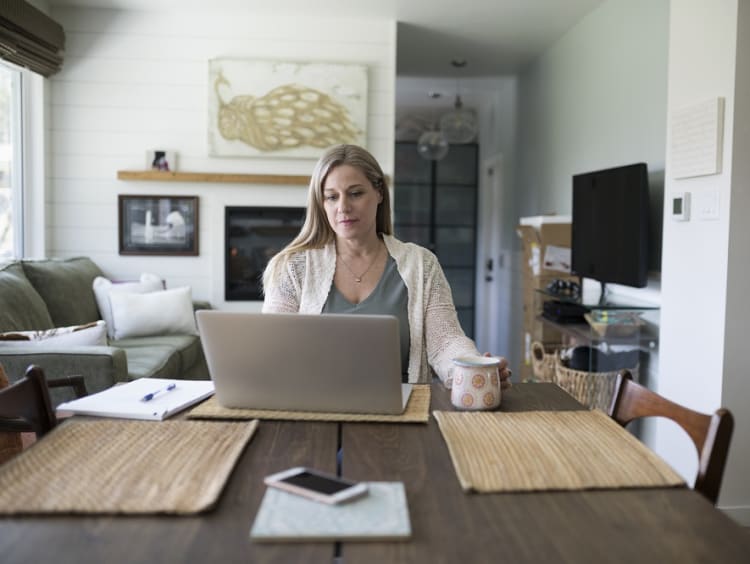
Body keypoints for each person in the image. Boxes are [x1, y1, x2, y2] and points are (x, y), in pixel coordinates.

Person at [262, 144, 511, 387]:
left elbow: (445, 341)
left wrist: (470, 368)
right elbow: (272, 347)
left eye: (355, 193)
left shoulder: (422, 264)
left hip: (401, 410)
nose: (343, 207)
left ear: (379, 192)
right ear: (321, 202)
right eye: (331, 197)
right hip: (313, 405)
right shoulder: (292, 267)